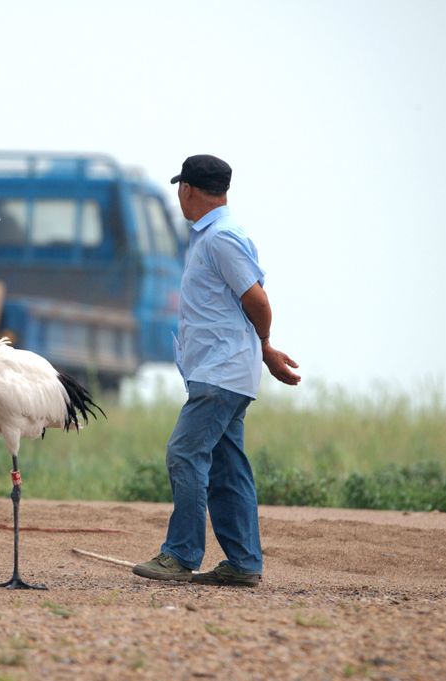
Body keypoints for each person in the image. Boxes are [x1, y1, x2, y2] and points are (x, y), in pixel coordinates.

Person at [133, 155, 300, 587]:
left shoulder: (220, 238)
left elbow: (258, 301)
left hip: (221, 374)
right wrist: (261, 351)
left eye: (179, 189)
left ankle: (181, 555)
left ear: (187, 189)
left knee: (185, 453)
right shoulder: (213, 236)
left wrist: (264, 347)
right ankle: (244, 563)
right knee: (227, 467)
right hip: (221, 371)